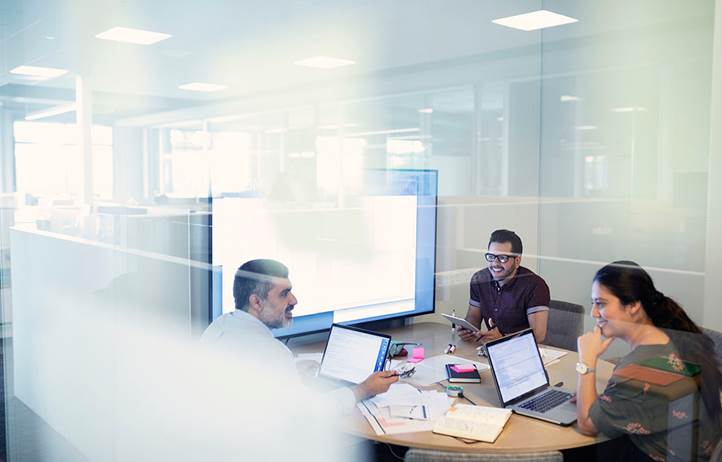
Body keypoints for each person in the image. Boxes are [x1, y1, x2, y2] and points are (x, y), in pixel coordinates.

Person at [200, 259, 398, 406]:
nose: (294, 300)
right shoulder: (272, 353)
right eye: (284, 294)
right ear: (256, 302)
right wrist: (363, 389)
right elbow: (309, 414)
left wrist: (290, 371)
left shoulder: (218, 327)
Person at [576, 261, 721, 461]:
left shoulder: (640, 368)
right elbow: (641, 396)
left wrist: (586, 363)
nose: (593, 313)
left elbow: (587, 424)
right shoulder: (670, 338)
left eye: (601, 303)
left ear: (634, 305)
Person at [458, 229, 550, 344]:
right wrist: (467, 330)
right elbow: (473, 318)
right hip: (492, 350)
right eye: (491, 257)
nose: (495, 263)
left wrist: (504, 337)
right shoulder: (479, 280)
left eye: (502, 258)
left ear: (517, 260)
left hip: (524, 352)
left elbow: (538, 335)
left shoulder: (535, 285)